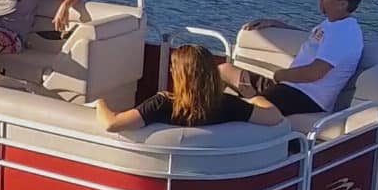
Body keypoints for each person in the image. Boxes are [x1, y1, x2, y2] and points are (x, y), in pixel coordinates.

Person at [222, 0, 366, 117]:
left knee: (229, 105)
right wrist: (276, 24)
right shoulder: (333, 25)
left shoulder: (345, 32)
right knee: (222, 70)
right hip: (288, 87)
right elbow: (314, 40)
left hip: (305, 98)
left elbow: (314, 73)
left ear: (343, 4)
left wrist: (280, 75)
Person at [95, 45, 285, 132]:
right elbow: (274, 116)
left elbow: (112, 124)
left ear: (180, 75)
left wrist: (99, 101)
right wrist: (253, 99)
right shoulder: (228, 105)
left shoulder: (162, 105)